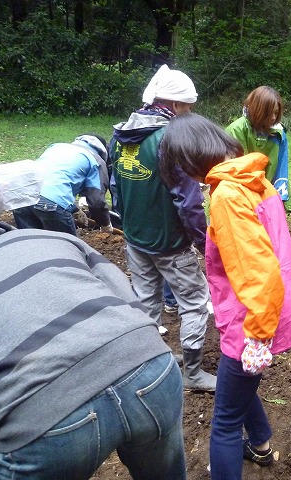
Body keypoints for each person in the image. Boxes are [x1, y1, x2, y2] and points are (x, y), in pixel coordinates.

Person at [0, 167, 186, 480]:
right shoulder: (48, 238)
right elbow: (122, 289)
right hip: (150, 369)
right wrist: (146, 346)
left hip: (43, 419)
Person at [159, 113, 291, 479]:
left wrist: (258, 337)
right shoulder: (251, 177)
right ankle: (261, 443)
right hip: (267, 306)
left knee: (225, 423)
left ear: (189, 161)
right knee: (238, 385)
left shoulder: (227, 195)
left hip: (251, 319)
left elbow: (258, 271)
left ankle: (252, 447)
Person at [109, 64, 216, 391]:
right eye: (186, 108)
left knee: (146, 300)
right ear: (172, 105)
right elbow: (188, 201)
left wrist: (125, 224)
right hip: (169, 242)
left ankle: (149, 363)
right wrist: (203, 242)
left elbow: (116, 185)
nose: (188, 115)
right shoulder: (169, 139)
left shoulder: (123, 132)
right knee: (196, 302)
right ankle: (194, 374)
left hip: (136, 239)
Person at [12, 134, 113, 236]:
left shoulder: (56, 147)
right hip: (50, 204)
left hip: (22, 196)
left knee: (31, 245)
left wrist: (74, 209)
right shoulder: (96, 160)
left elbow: (52, 180)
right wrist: (105, 224)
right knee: (66, 248)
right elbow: (96, 202)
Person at [225, 86, 291, 214]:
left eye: (276, 112)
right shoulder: (237, 130)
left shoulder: (278, 133)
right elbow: (238, 170)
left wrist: (282, 200)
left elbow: (281, 169)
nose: (273, 118)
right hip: (240, 197)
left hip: (267, 195)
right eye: (269, 113)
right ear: (258, 110)